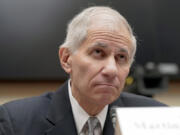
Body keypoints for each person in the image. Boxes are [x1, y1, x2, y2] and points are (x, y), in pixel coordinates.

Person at [0, 6, 166, 135]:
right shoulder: (16, 122)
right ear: (66, 59)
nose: (111, 70)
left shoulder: (158, 118)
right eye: (98, 52)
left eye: (121, 57)